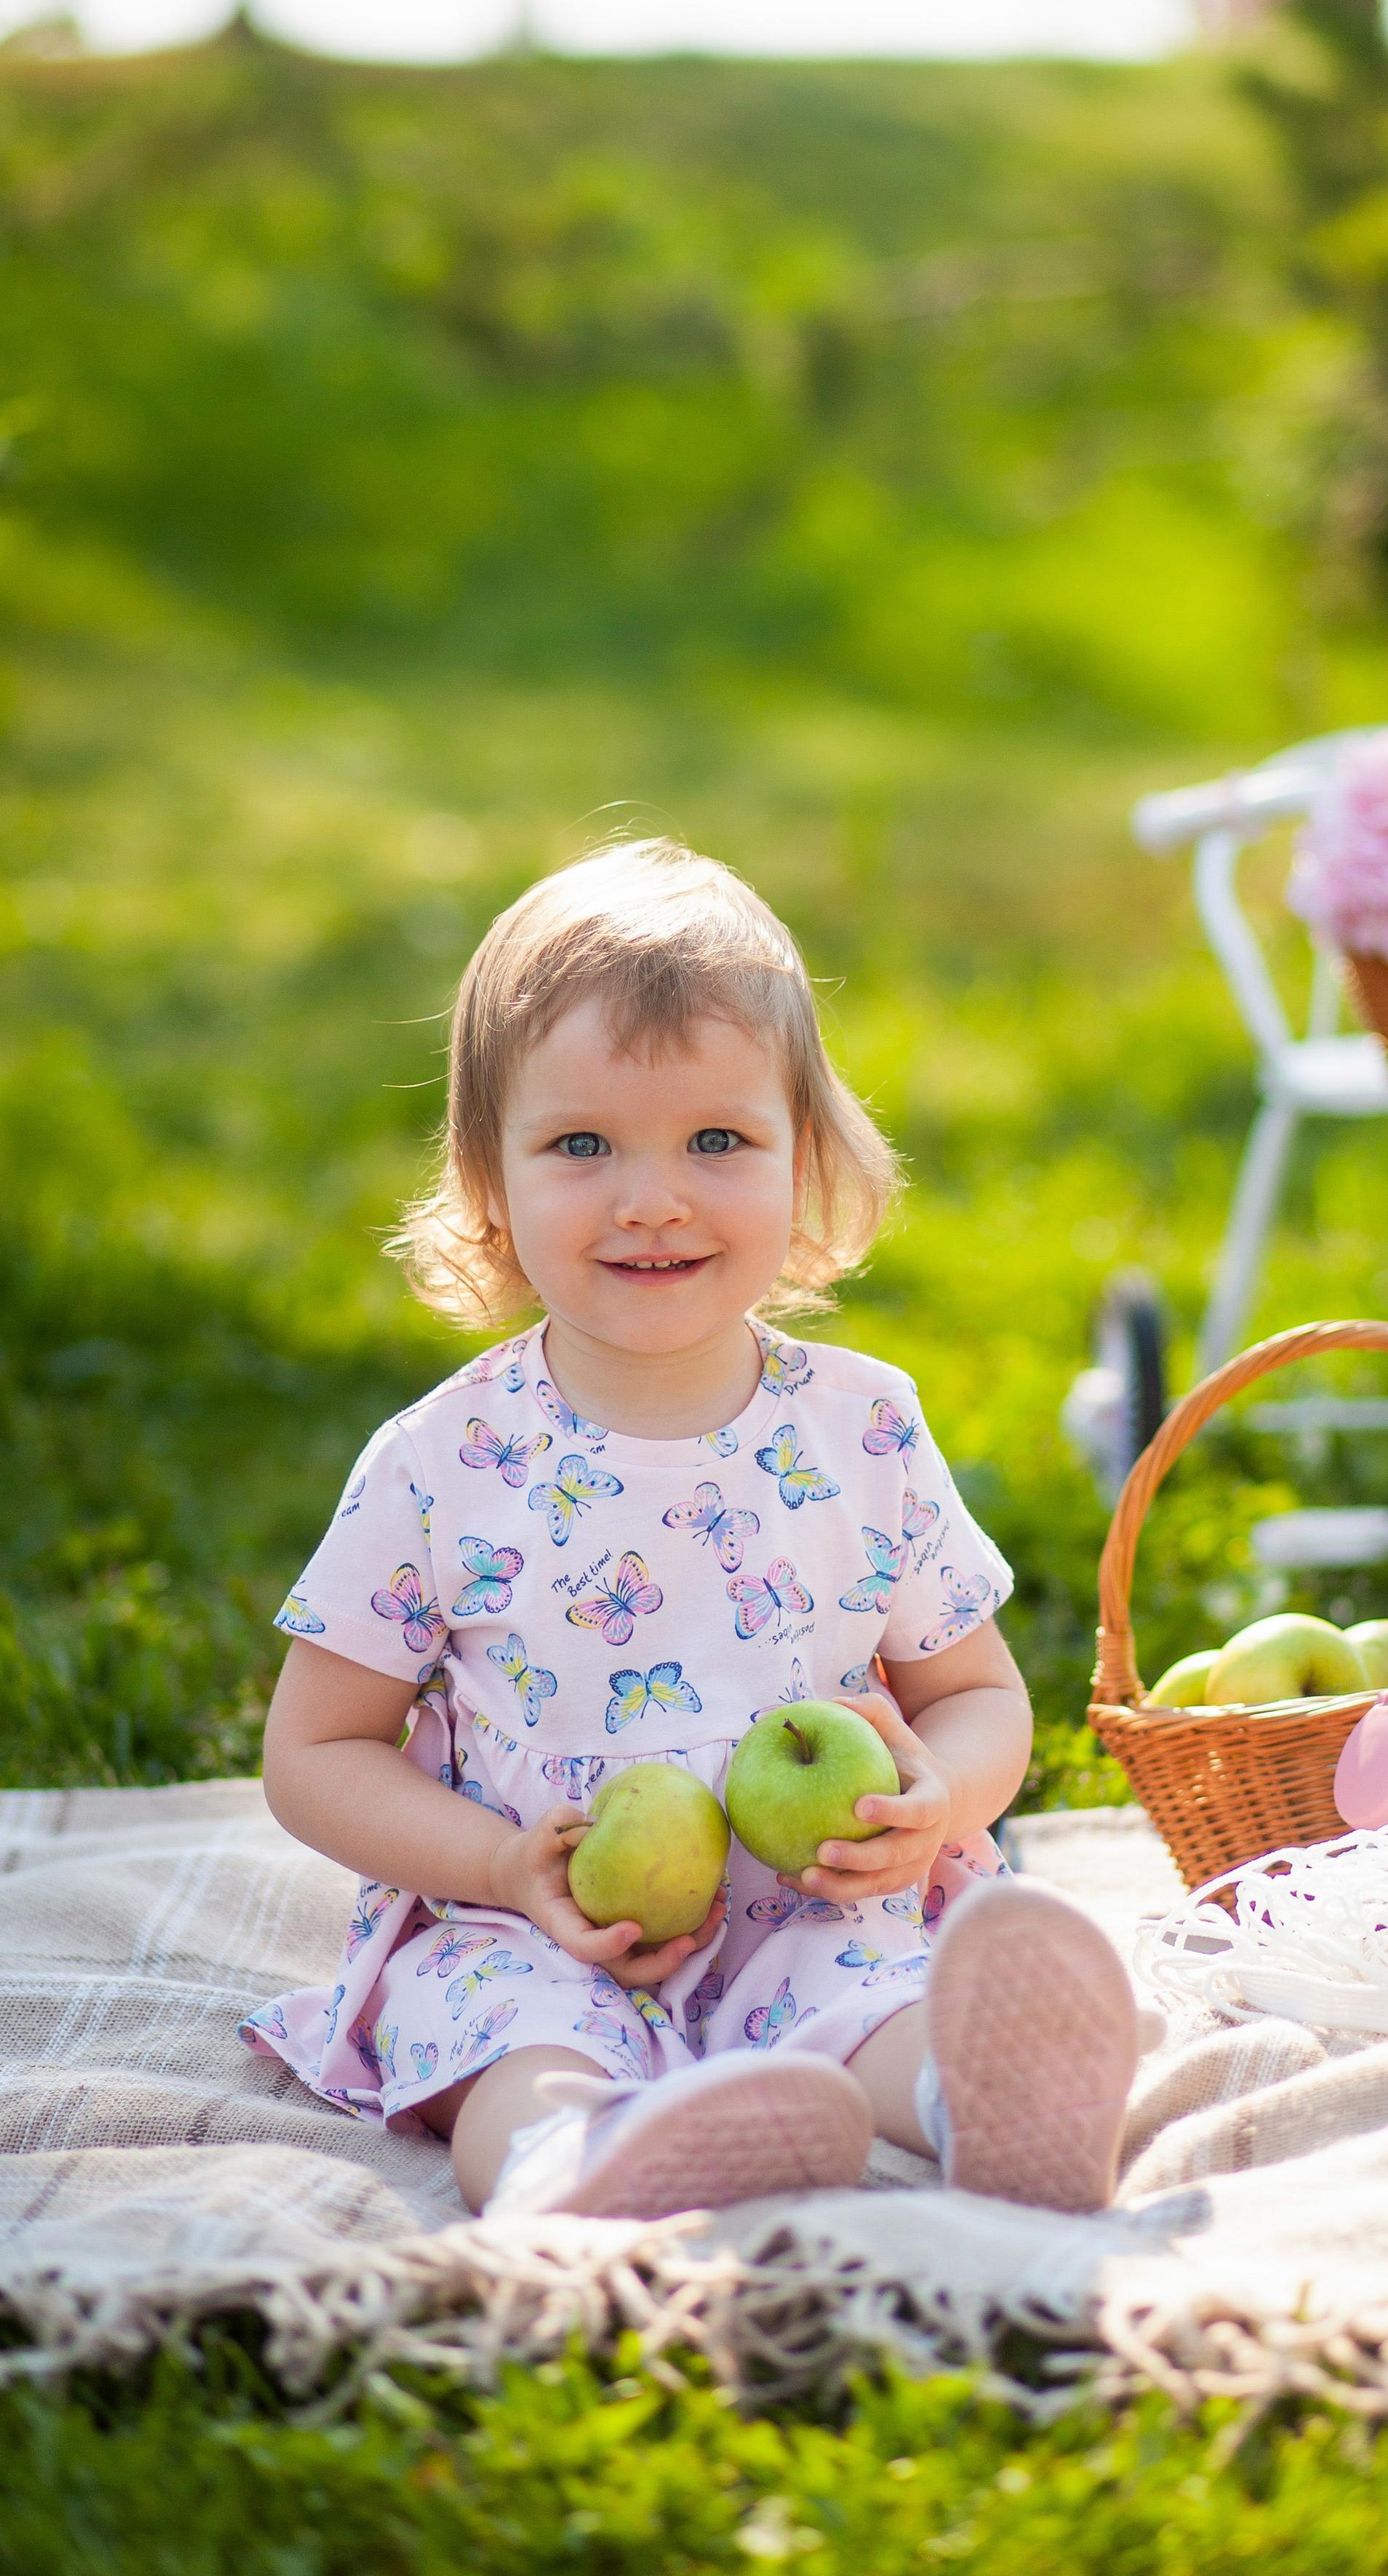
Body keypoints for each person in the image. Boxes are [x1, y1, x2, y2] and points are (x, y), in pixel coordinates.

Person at [245, 840, 1138, 2221]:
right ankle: (572, 2164)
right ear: (491, 1178)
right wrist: (496, 1866)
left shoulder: (865, 1426)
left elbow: (977, 1696)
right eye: (583, 1144)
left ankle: (988, 2106)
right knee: (513, 2042)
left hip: (816, 1906)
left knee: (883, 1988)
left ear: (806, 1157)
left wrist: (938, 1806)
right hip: (540, 1920)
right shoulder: (442, 1460)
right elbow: (314, 1753)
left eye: (717, 1140)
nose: (652, 1195)